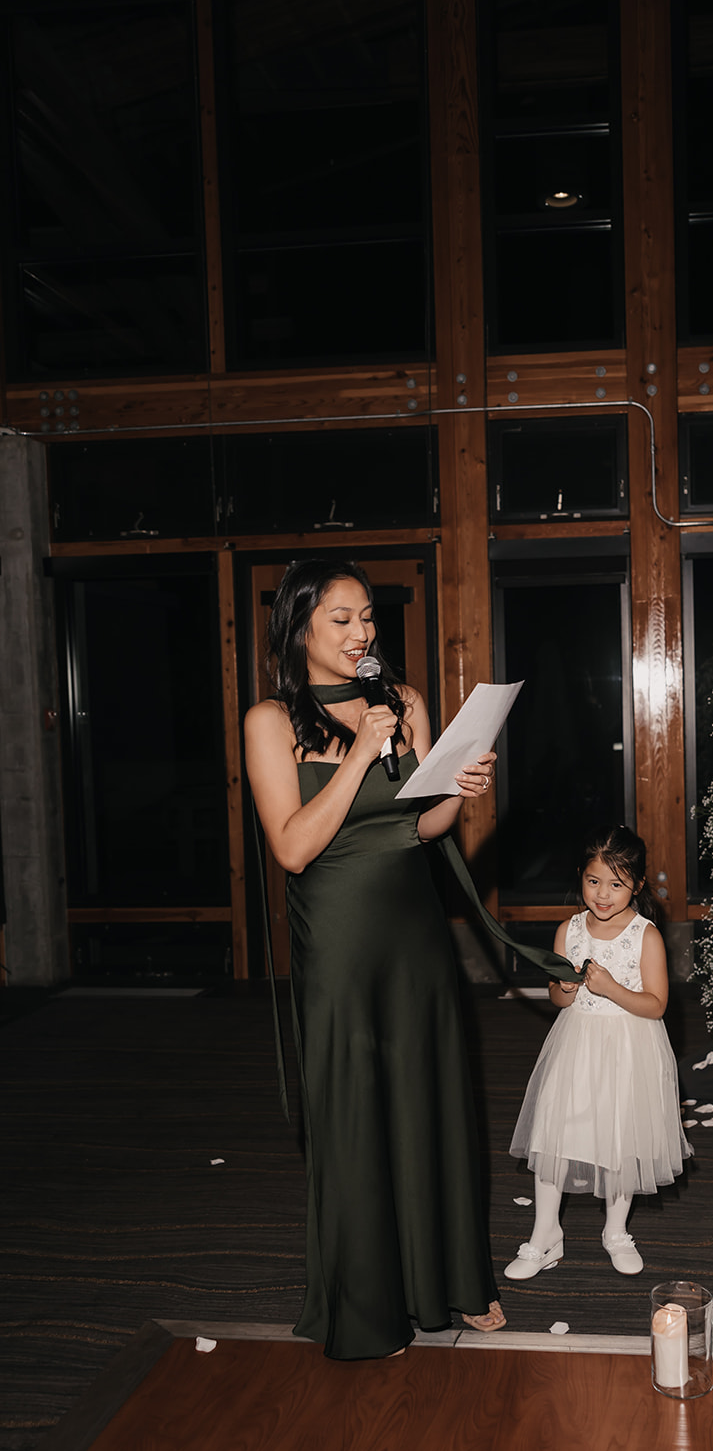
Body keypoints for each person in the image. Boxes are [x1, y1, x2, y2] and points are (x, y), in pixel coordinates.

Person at [244, 558, 505, 1359]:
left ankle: (454, 1281)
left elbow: (420, 830)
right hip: (340, 939)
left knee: (429, 1100)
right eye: (342, 620)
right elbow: (292, 847)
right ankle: (368, 1305)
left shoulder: (405, 702)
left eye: (367, 620)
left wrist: (459, 786)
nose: (362, 634)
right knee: (355, 1109)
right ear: (297, 629)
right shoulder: (269, 722)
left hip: (413, 932)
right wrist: (359, 751)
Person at [506, 825, 692, 1280]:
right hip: (576, 1045)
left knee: (619, 1136)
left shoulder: (644, 936)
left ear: (637, 886)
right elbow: (557, 997)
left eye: (617, 884)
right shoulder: (567, 930)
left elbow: (656, 1004)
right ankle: (545, 1234)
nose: (603, 895)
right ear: (580, 877)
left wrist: (610, 988)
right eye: (594, 881)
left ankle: (615, 1230)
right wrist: (565, 988)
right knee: (554, 1133)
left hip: (628, 1046)